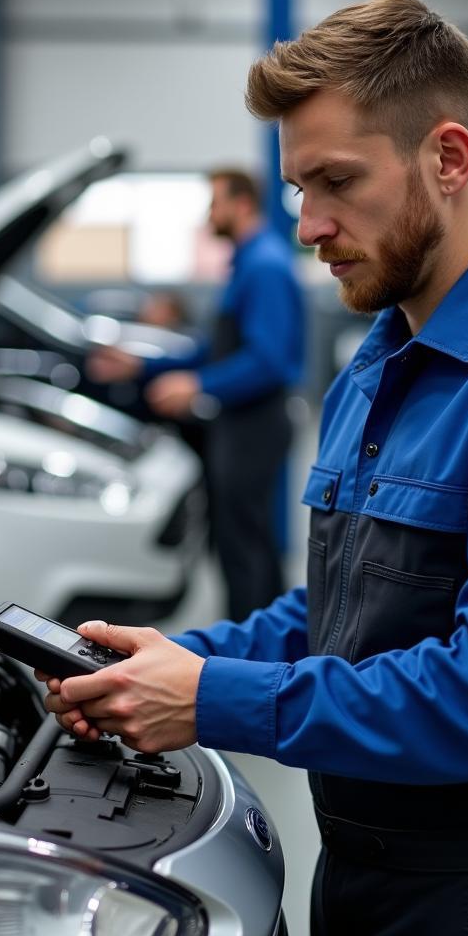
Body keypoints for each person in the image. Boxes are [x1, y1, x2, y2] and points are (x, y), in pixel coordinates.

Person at [41, 0, 468, 935]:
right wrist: (174, 661)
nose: (309, 224)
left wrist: (214, 700)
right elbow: (346, 611)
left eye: (338, 182)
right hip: (364, 879)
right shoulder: (377, 364)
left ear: (449, 158)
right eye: (301, 189)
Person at [88, 169, 305, 622]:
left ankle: (251, 655)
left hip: (255, 424)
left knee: (241, 545)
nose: (209, 214)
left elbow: (270, 360)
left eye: (215, 203)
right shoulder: (247, 264)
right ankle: (269, 638)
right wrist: (144, 365)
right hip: (242, 422)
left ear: (242, 204)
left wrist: (198, 386)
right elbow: (213, 350)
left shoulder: (264, 266)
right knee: (247, 538)